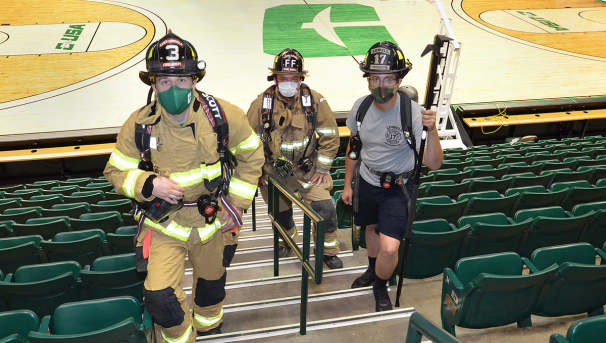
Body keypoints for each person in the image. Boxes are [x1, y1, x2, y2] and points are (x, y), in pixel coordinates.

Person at [104, 32, 264, 341]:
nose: (173, 88)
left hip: (213, 222)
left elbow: (252, 155)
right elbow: (115, 171)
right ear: (153, 84)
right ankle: (182, 337)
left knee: (212, 284)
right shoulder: (139, 125)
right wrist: (149, 183)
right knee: (160, 298)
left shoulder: (225, 117)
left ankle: (209, 322)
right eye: (164, 81)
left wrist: (237, 203)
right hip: (166, 225)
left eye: (181, 80)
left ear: (194, 80)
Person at [341, 41, 443, 311]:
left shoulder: (412, 114)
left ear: (399, 80)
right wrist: (347, 184)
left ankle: (380, 285)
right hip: (367, 180)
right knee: (371, 229)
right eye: (374, 78)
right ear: (368, 80)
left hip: (399, 187)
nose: (381, 85)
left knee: (389, 247)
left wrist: (431, 130)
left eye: (388, 78)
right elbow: (354, 145)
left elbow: (433, 164)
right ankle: (371, 271)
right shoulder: (360, 108)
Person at [246, 48, 343, 269]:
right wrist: (257, 171)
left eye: (293, 78)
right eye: (283, 78)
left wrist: (322, 168)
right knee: (281, 214)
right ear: (275, 78)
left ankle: (328, 251)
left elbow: (330, 135)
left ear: (300, 79)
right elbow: (249, 142)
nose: (288, 82)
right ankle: (286, 240)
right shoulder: (261, 105)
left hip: (307, 170)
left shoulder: (315, 101)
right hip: (275, 171)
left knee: (325, 209)